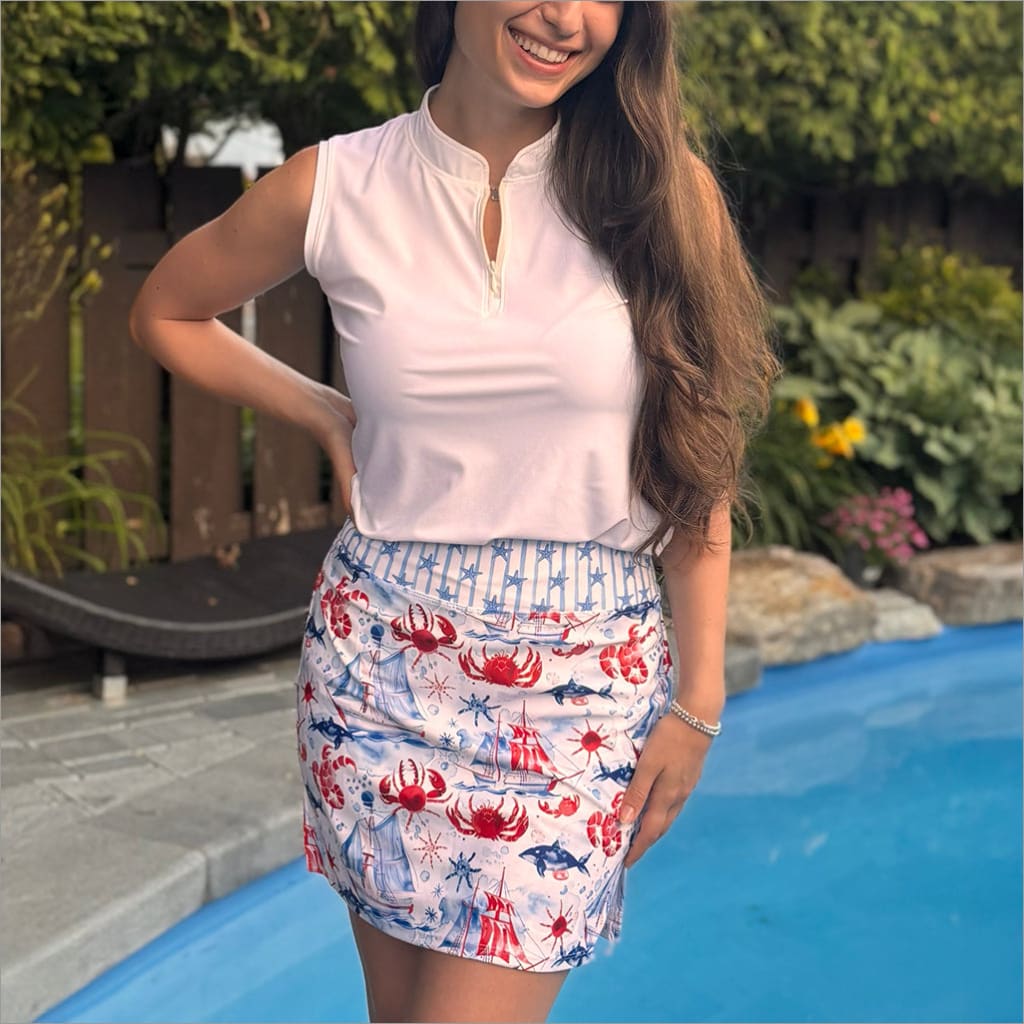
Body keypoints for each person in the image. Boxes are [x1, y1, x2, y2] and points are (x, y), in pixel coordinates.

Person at [129, 2, 781, 1020]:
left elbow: (699, 465)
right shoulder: (337, 183)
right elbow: (167, 308)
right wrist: (322, 409)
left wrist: (699, 703)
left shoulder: (662, 194)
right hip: (379, 674)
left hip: (573, 688)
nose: (563, 17)